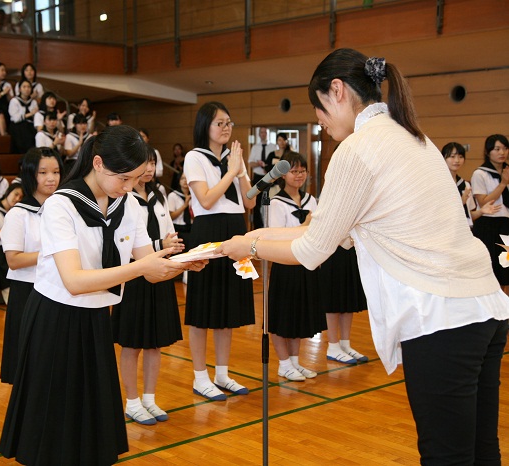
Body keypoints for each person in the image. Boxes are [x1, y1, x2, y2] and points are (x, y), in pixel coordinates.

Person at [217, 48, 509, 465]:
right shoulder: (413, 137)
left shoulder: (356, 150)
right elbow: (324, 229)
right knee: (481, 451)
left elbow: (312, 249)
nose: (319, 120)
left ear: (336, 91)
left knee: (448, 456)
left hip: (441, 317)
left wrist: (250, 246)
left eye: (318, 107)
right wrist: (257, 233)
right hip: (484, 309)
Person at [0, 125, 204, 465]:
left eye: (136, 179)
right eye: (124, 178)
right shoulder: (61, 205)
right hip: (54, 318)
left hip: (95, 318)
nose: (130, 187)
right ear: (97, 163)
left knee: (89, 417)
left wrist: (183, 263)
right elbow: (75, 281)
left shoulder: (131, 205)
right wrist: (143, 268)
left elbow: (143, 258)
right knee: (53, 419)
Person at [183, 101, 255, 401]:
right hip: (208, 231)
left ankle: (222, 373)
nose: (226, 128)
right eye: (220, 123)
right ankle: (201, 377)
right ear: (205, 126)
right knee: (203, 309)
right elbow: (207, 199)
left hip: (235, 229)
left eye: (229, 122)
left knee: (227, 307)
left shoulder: (235, 158)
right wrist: (231, 172)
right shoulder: (194, 157)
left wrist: (239, 172)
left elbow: (249, 202)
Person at [111, 147, 184, 425]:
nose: (150, 168)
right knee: (132, 345)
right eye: (145, 163)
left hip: (160, 273)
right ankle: (132, 402)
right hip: (135, 276)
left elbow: (166, 231)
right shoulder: (123, 197)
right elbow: (123, 242)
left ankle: (150, 399)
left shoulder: (158, 194)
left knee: (155, 344)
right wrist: (158, 246)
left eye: (153, 162)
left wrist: (173, 247)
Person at [0, 147, 62, 384]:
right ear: (29, 175)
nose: (51, 178)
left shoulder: (64, 211)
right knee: (28, 365)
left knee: (54, 361)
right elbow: (14, 260)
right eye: (43, 172)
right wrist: (53, 253)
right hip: (28, 291)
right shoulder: (18, 214)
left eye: (56, 171)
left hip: (58, 289)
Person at [265, 152, 324, 381]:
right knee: (281, 316)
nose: (299, 175)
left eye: (302, 171)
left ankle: (295, 362)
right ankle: (283, 363)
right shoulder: (276, 201)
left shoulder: (312, 200)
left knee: (299, 315)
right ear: (283, 174)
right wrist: (306, 224)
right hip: (284, 263)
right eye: (294, 171)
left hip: (306, 263)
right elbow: (275, 236)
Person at [470, 134, 509, 291]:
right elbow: (483, 202)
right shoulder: (480, 174)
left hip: (505, 223)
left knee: (506, 266)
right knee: (491, 265)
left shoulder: (507, 170)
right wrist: (504, 183)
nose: (502, 153)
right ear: (488, 152)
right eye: (497, 149)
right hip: (488, 223)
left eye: (505, 148)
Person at [443, 142, 499, 227]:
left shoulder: (465, 185)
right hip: (447, 230)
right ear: (443, 158)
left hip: (465, 231)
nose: (457, 160)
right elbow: (440, 214)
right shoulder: (440, 184)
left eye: (461, 157)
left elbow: (468, 217)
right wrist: (461, 202)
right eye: (452, 156)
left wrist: (481, 211)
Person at [247, 127, 277, 229]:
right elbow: (251, 163)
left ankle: (270, 225)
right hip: (258, 177)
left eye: (265, 132)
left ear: (267, 134)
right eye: (261, 132)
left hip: (269, 177)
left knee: (270, 201)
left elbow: (275, 162)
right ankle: (257, 226)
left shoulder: (273, 147)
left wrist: (268, 167)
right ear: (259, 134)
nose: (263, 134)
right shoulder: (255, 147)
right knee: (256, 203)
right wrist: (258, 163)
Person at [8, 79, 38, 154]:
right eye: (24, 87)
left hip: (30, 125)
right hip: (18, 125)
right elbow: (15, 118)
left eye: (28, 87)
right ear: (19, 89)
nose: (27, 89)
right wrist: (30, 114)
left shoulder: (33, 102)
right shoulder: (14, 101)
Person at [167, 171, 192, 247]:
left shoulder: (194, 195)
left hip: (191, 228)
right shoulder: (173, 195)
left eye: (187, 178)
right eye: (182, 178)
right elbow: (171, 216)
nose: (185, 181)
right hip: (178, 228)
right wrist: (185, 205)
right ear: (179, 181)